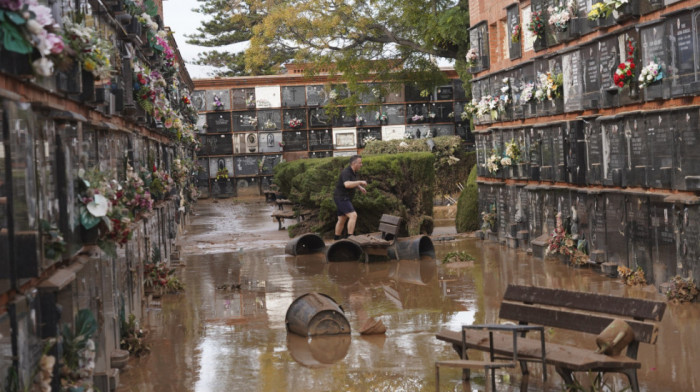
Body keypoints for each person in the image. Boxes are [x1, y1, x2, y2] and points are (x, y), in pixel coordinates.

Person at [333, 155, 367, 240]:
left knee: (342, 219)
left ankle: (336, 239)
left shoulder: (354, 171)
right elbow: (347, 184)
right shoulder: (346, 172)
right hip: (342, 197)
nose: (361, 164)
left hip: (342, 197)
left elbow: (353, 182)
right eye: (360, 163)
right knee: (353, 215)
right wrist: (360, 182)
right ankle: (350, 238)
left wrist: (360, 187)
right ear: (354, 163)